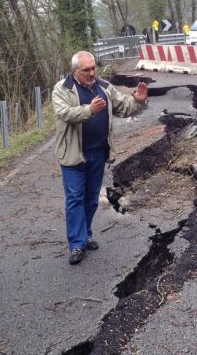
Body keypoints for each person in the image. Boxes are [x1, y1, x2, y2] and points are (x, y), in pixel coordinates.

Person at [53, 51, 148, 265]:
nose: (92, 73)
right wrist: (90, 110)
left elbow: (123, 107)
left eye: (94, 68)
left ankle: (85, 234)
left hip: (98, 152)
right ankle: (76, 244)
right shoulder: (62, 89)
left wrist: (138, 101)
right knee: (75, 198)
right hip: (73, 154)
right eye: (86, 70)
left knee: (91, 198)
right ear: (75, 71)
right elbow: (65, 114)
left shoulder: (104, 87)